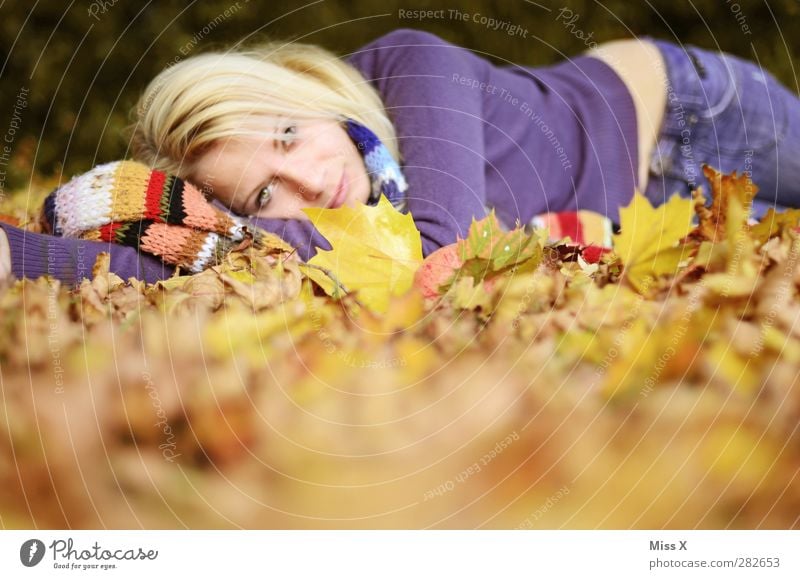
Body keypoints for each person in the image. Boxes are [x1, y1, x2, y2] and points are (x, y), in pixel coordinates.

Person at [2, 28, 800, 285]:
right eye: (263, 194)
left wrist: (242, 241)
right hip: (675, 230)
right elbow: (209, 269)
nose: (313, 179)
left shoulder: (409, 64)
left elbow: (432, 247)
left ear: (308, 89)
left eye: (288, 135)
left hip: (696, 120)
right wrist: (19, 256)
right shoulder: (298, 230)